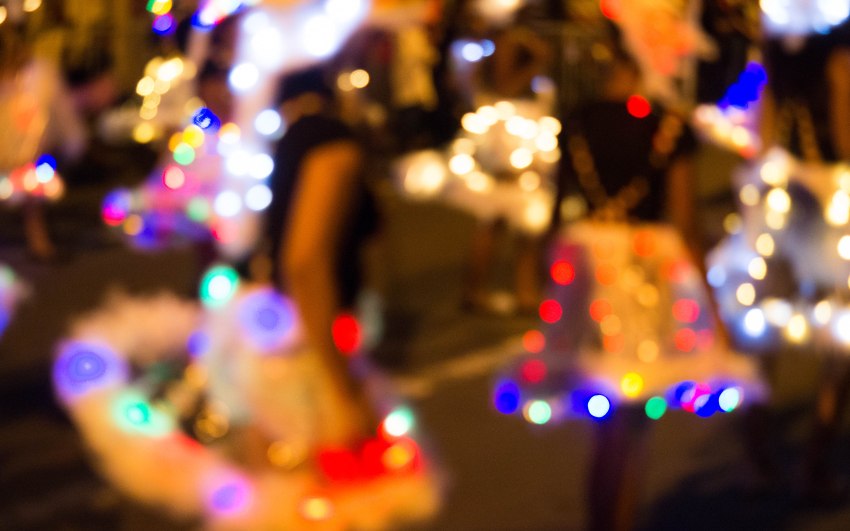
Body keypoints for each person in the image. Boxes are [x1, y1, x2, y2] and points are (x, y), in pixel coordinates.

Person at [262, 66, 382, 446]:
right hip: (316, 347)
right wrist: (339, 386)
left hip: (281, 338)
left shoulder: (286, 142)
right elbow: (304, 263)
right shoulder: (329, 143)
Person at [0, 22, 86, 260]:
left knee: (32, 181)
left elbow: (50, 116)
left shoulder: (35, 78)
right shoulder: (33, 78)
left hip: (24, 155)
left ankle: (38, 239)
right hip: (15, 154)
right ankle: (37, 240)